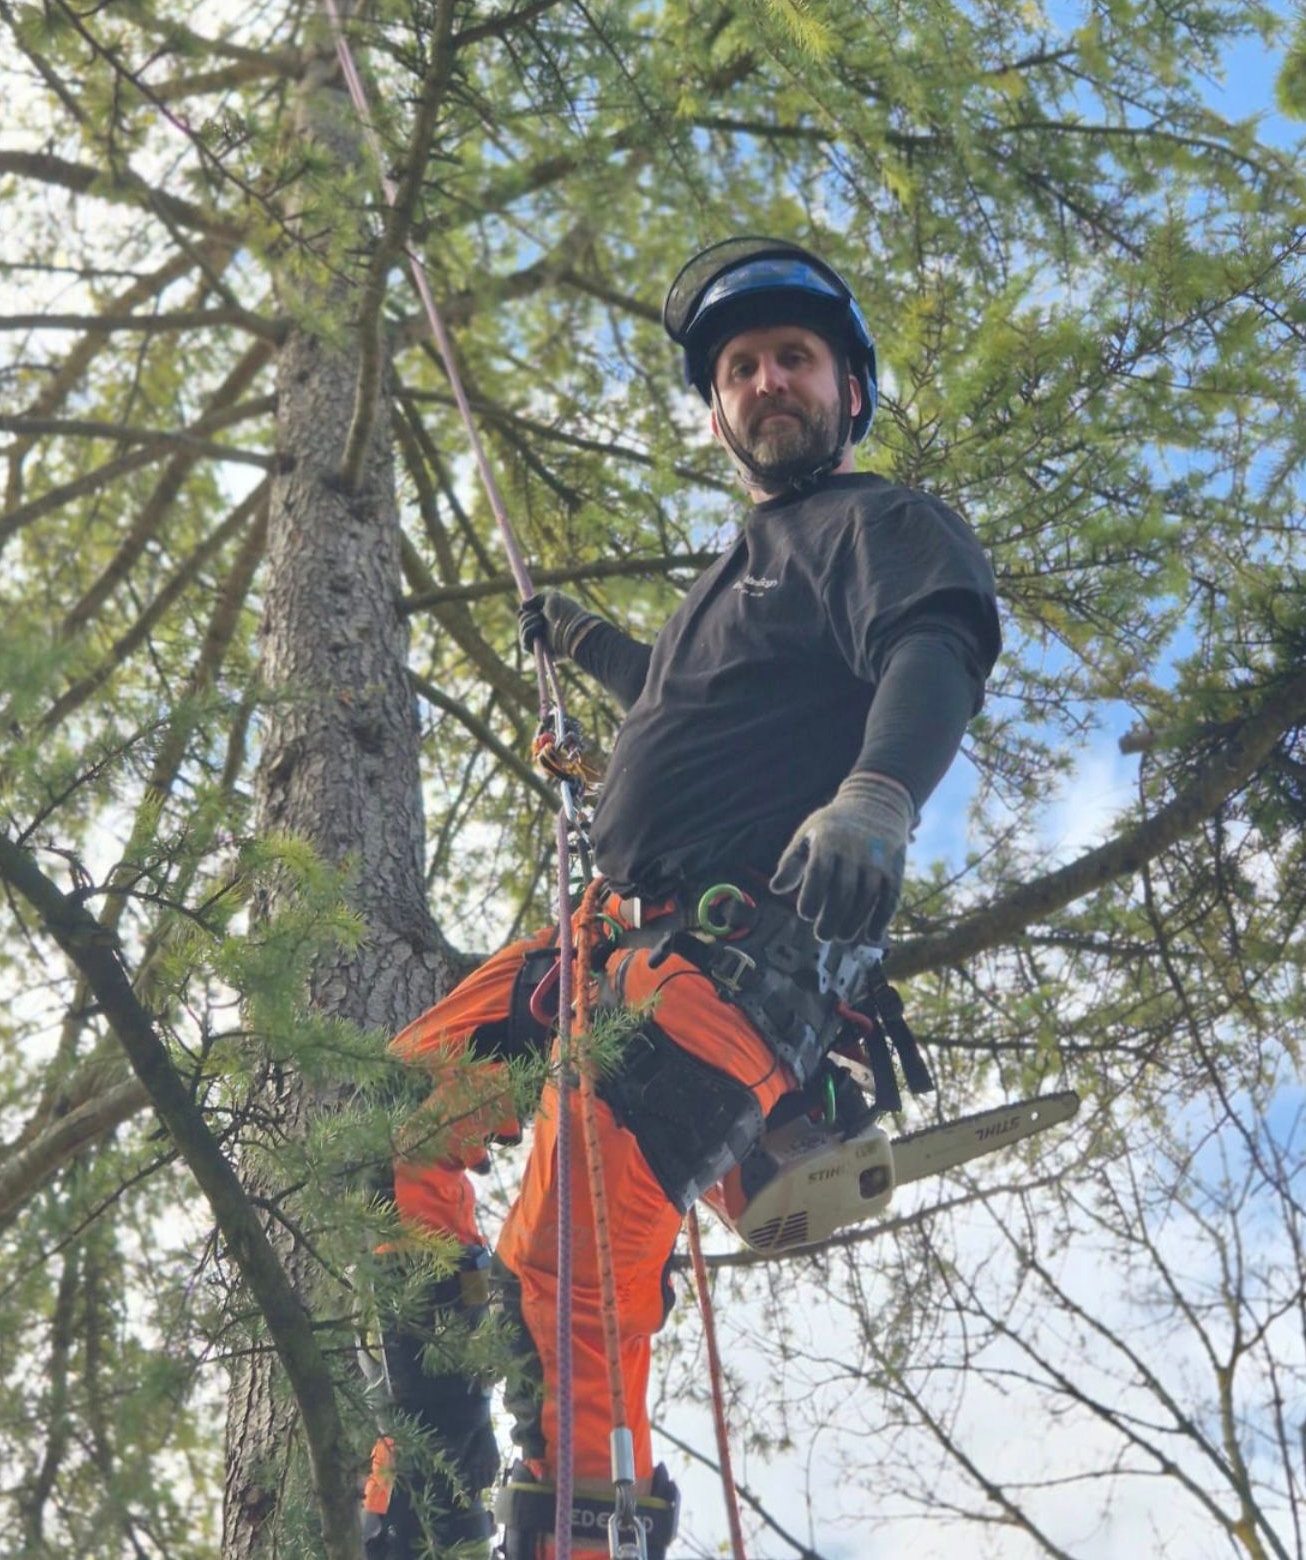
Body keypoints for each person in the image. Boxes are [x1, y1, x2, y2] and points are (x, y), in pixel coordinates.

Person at [361, 236, 1001, 1558]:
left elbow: (931, 645)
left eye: (797, 360)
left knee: (569, 1272)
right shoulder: (740, 575)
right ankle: (426, 1479)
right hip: (605, 944)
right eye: (744, 368)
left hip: (728, 960)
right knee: (396, 1110)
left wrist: (877, 794)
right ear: (718, 413)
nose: (770, 380)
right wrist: (585, 647)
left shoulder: (877, 527)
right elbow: (687, 696)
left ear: (851, 393)